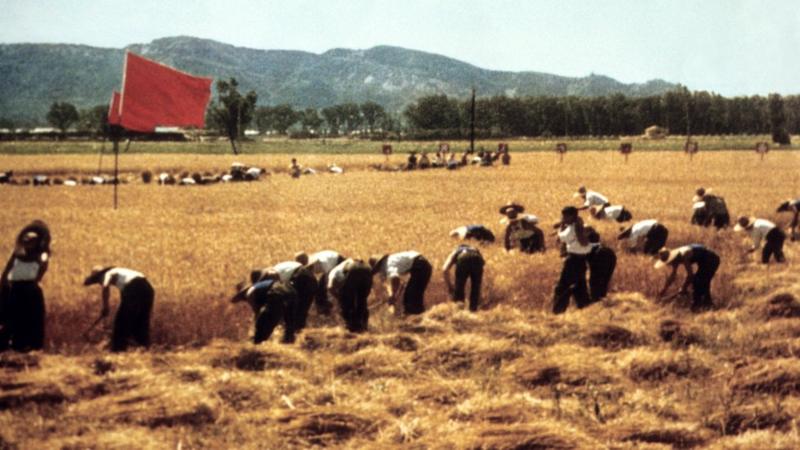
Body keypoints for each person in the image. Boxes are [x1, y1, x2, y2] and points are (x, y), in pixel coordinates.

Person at [0, 221, 50, 352]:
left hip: (30, 289)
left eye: (31, 241)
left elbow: (43, 267)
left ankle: (30, 346)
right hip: (15, 287)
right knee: (12, 317)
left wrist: (36, 280)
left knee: (31, 318)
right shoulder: (17, 253)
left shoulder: (42, 254)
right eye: (26, 241)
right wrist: (3, 281)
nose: (28, 244)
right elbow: (8, 268)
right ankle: (12, 345)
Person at [83, 266, 154, 352]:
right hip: (148, 289)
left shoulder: (108, 274)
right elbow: (126, 295)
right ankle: (144, 348)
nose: (99, 283)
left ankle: (118, 351)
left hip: (134, 288)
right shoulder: (122, 275)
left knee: (122, 321)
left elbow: (105, 287)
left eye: (98, 280)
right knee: (141, 321)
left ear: (100, 275)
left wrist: (106, 307)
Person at [252, 259, 318, 329]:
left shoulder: (271, 273)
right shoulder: (279, 268)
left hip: (301, 278)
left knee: (293, 307)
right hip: (311, 279)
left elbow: (278, 292)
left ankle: (293, 333)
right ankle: (300, 332)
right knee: (301, 310)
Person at [231, 278, 299, 344]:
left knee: (262, 322)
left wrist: (257, 328)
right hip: (291, 290)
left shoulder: (249, 293)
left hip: (276, 292)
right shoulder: (260, 286)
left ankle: (257, 344)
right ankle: (289, 342)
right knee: (289, 323)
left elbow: (259, 312)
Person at [655, 244, 720, 312]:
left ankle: (697, 306)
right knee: (702, 282)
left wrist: (683, 287)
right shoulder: (675, 258)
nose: (669, 264)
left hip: (712, 259)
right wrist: (664, 290)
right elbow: (673, 275)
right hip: (703, 261)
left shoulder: (684, 255)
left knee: (698, 281)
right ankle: (707, 304)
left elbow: (690, 275)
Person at [552, 207, 592, 314]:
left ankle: (558, 311)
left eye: (565, 216)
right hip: (581, 261)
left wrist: (560, 229)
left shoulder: (572, 228)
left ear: (572, 216)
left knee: (562, 287)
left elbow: (562, 237)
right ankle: (586, 309)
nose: (563, 218)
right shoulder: (578, 225)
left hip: (573, 260)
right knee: (580, 287)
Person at [369, 251, 431, 315]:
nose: (378, 271)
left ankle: (415, 316)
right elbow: (396, 283)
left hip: (421, 266)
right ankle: (418, 316)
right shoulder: (389, 261)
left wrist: (393, 295)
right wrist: (394, 295)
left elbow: (395, 279)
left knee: (411, 296)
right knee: (412, 295)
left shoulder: (387, 265)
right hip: (421, 265)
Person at [327, 258, 373, 332]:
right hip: (367, 269)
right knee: (362, 300)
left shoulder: (333, 272)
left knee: (347, 304)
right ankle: (363, 326)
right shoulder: (345, 264)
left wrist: (339, 298)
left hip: (353, 270)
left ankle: (352, 327)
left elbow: (330, 287)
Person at [295, 250, 344, 314]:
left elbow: (328, 274)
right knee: (320, 288)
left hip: (338, 263)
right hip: (330, 266)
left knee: (325, 287)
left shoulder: (322, 262)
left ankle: (328, 307)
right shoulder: (310, 263)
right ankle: (324, 307)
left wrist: (328, 287)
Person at [442, 244, 485, 312]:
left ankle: (459, 312)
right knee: (475, 288)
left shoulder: (456, 250)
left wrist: (450, 286)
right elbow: (482, 263)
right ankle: (473, 311)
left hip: (463, 258)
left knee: (459, 288)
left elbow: (444, 269)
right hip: (478, 259)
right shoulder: (475, 249)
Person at [585, 227, 616, 302]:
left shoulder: (587, 248)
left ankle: (596, 301)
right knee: (605, 281)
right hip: (611, 256)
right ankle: (602, 299)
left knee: (594, 282)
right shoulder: (607, 249)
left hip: (598, 259)